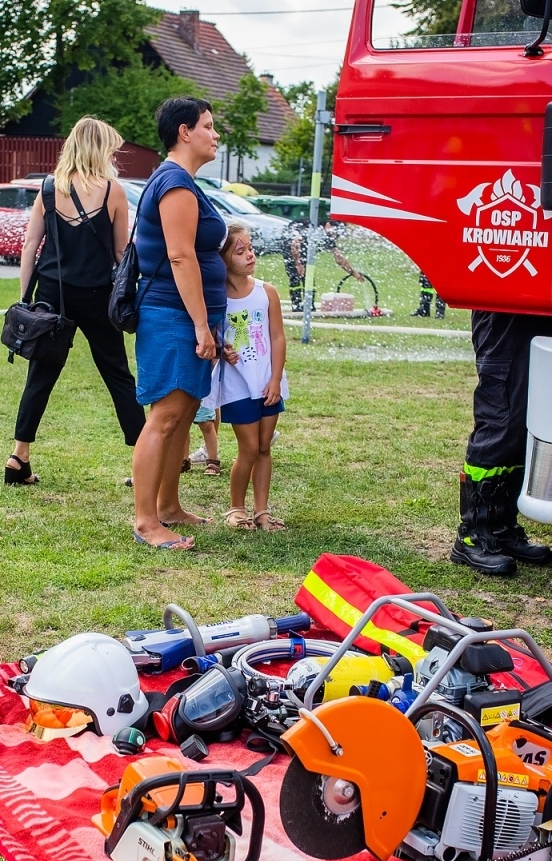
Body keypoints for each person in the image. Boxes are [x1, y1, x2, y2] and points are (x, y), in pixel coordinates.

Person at [7, 116, 143, 485]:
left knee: (41, 376)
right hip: (98, 296)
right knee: (117, 375)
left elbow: (30, 247)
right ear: (100, 150)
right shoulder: (113, 190)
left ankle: (19, 456)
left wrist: (25, 298)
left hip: (52, 295)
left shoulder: (49, 189)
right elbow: (120, 252)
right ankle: (143, 460)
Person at [130, 97, 228, 550]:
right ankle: (147, 522)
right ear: (184, 132)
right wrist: (201, 326)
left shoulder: (184, 181)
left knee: (184, 415)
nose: (215, 135)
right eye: (208, 126)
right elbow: (180, 255)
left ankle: (169, 506)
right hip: (172, 314)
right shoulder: (174, 183)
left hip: (184, 314)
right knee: (166, 417)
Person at [449, 311, 552, 576]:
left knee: (526, 422)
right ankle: (472, 537)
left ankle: (501, 530)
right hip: (504, 315)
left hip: (547, 312)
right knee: (501, 421)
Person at [216, 221, 288, 531]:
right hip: (237, 386)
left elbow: (278, 337)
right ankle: (235, 508)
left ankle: (262, 512)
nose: (250, 255)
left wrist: (275, 380)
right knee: (247, 449)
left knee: (263, 447)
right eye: (240, 251)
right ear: (222, 259)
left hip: (268, 384)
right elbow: (212, 336)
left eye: (251, 249)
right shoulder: (217, 297)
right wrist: (222, 350)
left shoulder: (266, 292)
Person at [281, 216, 362, 313]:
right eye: (333, 233)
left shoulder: (327, 235)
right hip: (290, 246)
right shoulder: (313, 227)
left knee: (309, 278)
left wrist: (353, 273)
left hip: (303, 250)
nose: (333, 236)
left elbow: (339, 258)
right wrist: (298, 263)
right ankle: (297, 306)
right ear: (328, 224)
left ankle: (309, 306)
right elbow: (295, 243)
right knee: (295, 276)